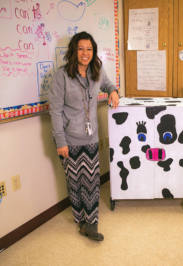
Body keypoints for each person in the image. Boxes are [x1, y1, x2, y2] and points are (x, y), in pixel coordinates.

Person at [49, 31, 119, 241]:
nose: (85, 53)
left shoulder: (97, 71)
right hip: (69, 139)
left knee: (91, 182)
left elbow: (107, 84)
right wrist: (60, 141)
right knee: (74, 183)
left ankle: (92, 223)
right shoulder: (61, 76)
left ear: (93, 52)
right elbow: (55, 111)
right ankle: (81, 222)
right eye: (81, 48)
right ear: (74, 51)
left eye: (89, 49)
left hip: (91, 138)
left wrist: (113, 91)